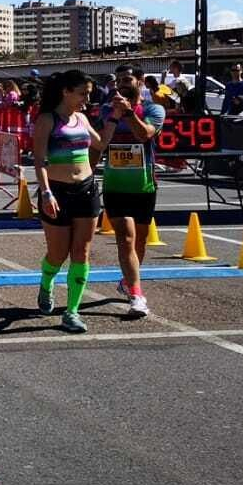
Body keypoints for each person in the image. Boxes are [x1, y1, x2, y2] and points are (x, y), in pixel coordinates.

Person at [32, 70, 104, 333]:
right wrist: (46, 192)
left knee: (81, 252)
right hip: (57, 193)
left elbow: (100, 144)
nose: (87, 99)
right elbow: (39, 160)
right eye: (83, 93)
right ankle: (46, 283)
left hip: (86, 190)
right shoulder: (47, 120)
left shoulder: (83, 118)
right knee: (57, 254)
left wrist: (116, 118)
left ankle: (72, 312)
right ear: (66, 92)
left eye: (89, 94)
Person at [96, 68, 162, 318]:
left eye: (127, 81)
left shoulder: (154, 110)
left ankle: (127, 280)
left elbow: (144, 134)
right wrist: (114, 115)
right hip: (115, 185)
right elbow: (101, 142)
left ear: (140, 83)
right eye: (118, 81)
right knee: (125, 237)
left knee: (140, 242)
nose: (121, 85)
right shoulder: (106, 110)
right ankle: (136, 295)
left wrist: (129, 112)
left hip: (143, 186)